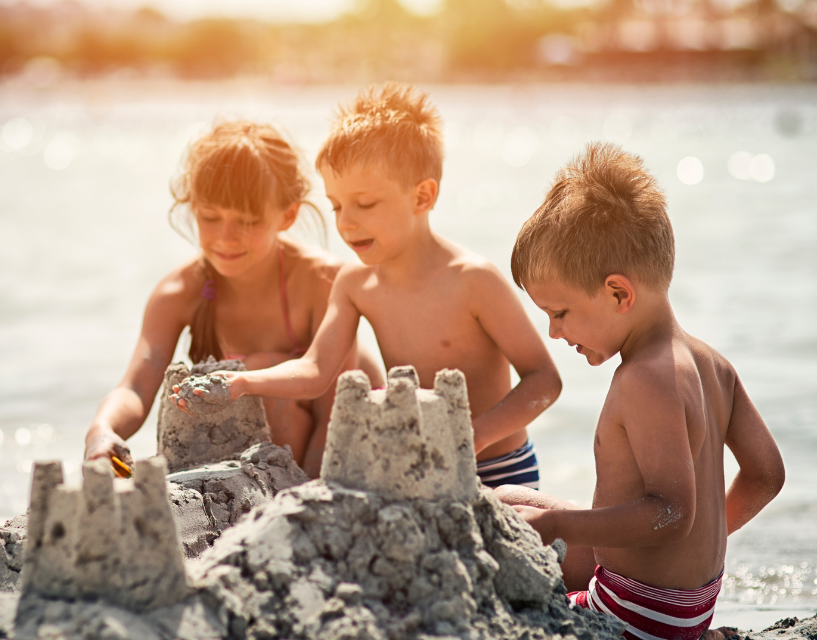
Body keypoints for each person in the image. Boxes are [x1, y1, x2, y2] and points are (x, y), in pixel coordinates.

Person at [173, 83, 562, 487]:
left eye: (365, 203)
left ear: (423, 196)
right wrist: (243, 383)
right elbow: (316, 370)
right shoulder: (355, 283)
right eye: (337, 206)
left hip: (498, 465)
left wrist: (473, 437)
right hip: (417, 467)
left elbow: (544, 380)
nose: (346, 223)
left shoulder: (472, 280)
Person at [496, 142, 785, 640]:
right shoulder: (713, 363)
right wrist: (700, 555)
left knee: (504, 549)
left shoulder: (646, 378)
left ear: (618, 293)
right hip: (676, 610)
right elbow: (767, 475)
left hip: (630, 617)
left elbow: (670, 513)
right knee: (507, 500)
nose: (553, 333)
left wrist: (564, 529)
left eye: (559, 312)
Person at [84, 120, 383, 478]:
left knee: (263, 367)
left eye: (248, 221)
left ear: (287, 216)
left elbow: (333, 412)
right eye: (210, 217)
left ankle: (278, 489)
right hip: (262, 446)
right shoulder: (179, 292)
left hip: (350, 430)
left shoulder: (323, 281)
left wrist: (312, 495)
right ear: (193, 208)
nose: (227, 237)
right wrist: (102, 430)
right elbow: (136, 386)